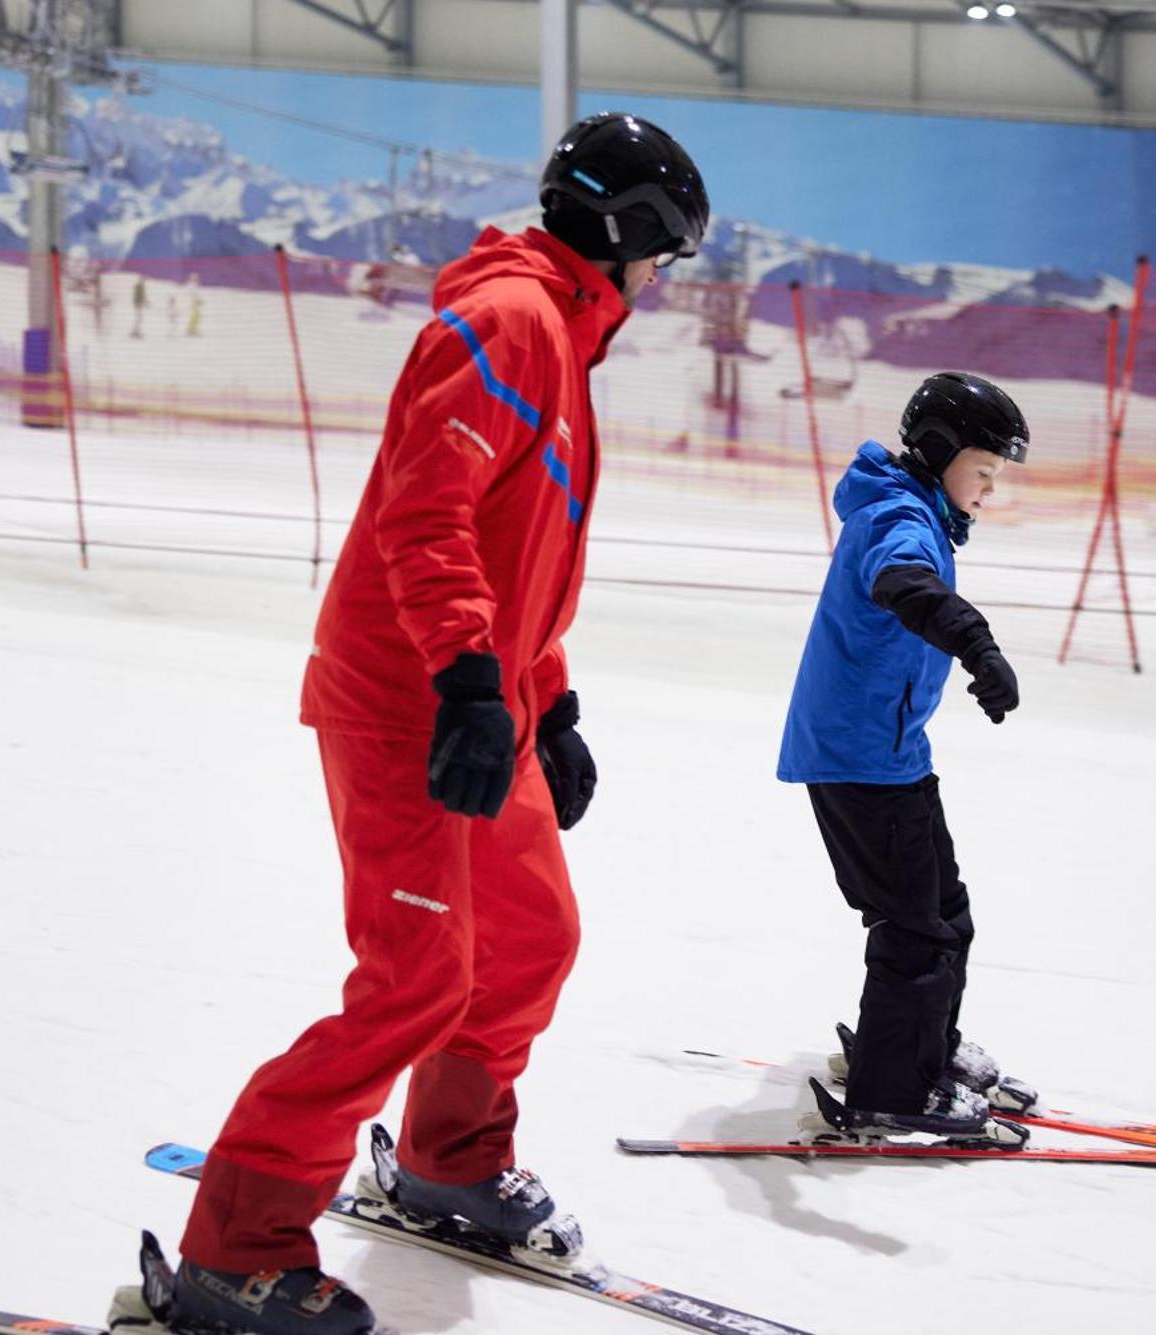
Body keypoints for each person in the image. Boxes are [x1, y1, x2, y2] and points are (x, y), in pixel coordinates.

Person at [141, 113, 709, 1335]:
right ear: (633, 230)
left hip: (481, 700)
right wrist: (462, 680)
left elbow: (520, 551)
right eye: (669, 253)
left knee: (528, 940)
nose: (664, 281)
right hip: (406, 698)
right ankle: (231, 1253)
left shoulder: (560, 334)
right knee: (412, 983)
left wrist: (543, 698)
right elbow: (426, 517)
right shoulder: (510, 321)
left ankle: (451, 1159)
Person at [777, 372, 1039, 1141]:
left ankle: (926, 1050)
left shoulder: (915, 506)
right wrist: (977, 644)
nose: (989, 490)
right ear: (936, 451)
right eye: (983, 471)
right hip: (860, 756)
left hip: (885, 753)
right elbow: (904, 584)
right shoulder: (900, 516)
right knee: (915, 927)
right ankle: (894, 1088)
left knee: (943, 913)